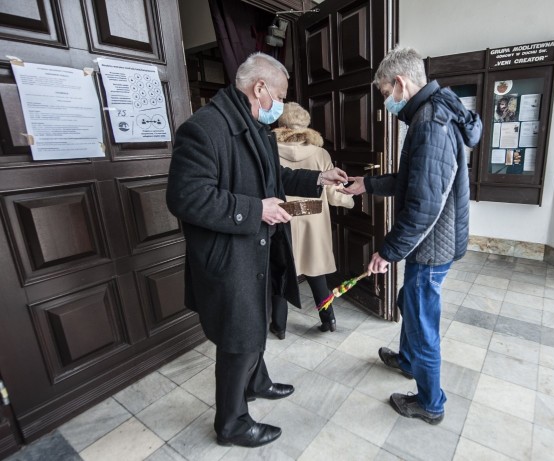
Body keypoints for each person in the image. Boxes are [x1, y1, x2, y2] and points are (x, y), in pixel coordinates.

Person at [166, 52, 348, 448]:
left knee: (256, 321)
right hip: (229, 255)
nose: (281, 105)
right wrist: (254, 210)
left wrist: (319, 176)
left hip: (258, 249)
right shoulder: (204, 128)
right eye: (280, 95)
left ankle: (258, 381)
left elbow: (274, 176)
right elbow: (186, 197)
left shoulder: (253, 126)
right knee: (239, 339)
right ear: (259, 88)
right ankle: (231, 423)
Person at [344, 47, 482, 425]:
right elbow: (414, 180)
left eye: (386, 93)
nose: (387, 101)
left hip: (431, 245)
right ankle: (407, 361)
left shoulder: (430, 124)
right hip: (432, 240)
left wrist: (388, 252)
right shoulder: (433, 111)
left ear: (401, 83)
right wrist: (367, 184)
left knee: (422, 322)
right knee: (410, 299)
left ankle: (430, 403)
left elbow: (423, 204)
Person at [269, 103, 355, 339]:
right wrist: (350, 201)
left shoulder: (268, 151)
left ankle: (279, 326)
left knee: (281, 271)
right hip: (314, 221)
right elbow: (333, 194)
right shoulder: (321, 154)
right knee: (317, 272)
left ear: (280, 123)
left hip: (282, 219)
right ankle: (329, 320)